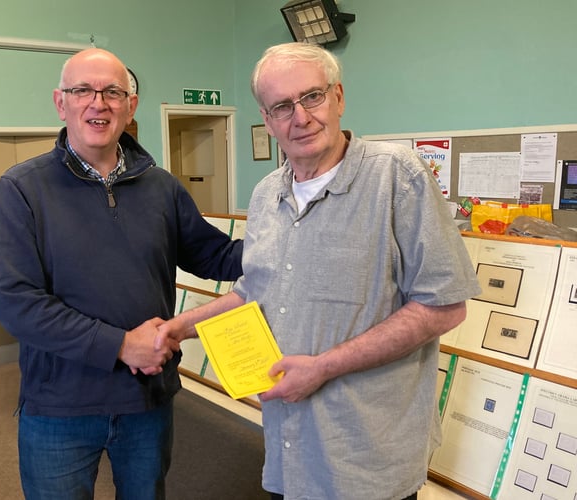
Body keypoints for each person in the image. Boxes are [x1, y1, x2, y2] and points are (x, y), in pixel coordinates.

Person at [159, 42, 482, 500]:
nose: (301, 117)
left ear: (338, 97)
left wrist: (323, 368)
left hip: (367, 457)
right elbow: (255, 292)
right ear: (268, 121)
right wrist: (178, 328)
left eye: (312, 97)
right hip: (290, 448)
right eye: (282, 106)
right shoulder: (267, 193)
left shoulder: (397, 177)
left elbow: (443, 306)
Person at [0, 48, 243, 500]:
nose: (98, 103)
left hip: (145, 399)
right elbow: (17, 303)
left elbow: (215, 256)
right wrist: (121, 345)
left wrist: (290, 245)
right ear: (60, 102)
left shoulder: (162, 187)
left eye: (112, 91)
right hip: (59, 407)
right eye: (82, 90)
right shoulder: (22, 188)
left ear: (131, 105)